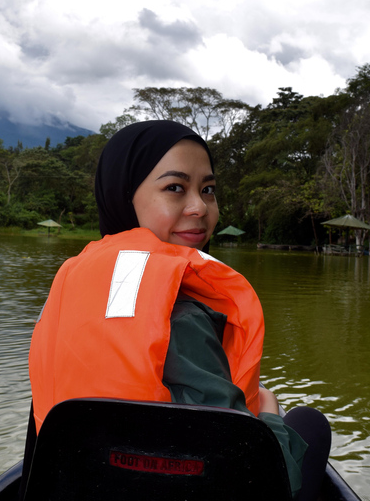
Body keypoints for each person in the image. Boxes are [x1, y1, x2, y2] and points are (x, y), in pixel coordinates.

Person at [21, 121, 330, 501]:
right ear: (124, 195)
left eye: (208, 189)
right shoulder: (183, 318)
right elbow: (242, 466)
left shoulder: (68, 291)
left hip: (79, 486)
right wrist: (267, 410)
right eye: (175, 188)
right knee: (309, 423)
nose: (200, 206)